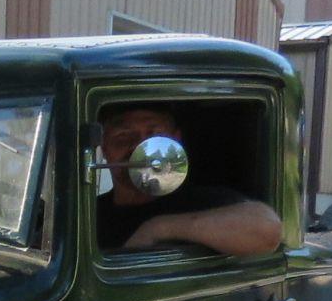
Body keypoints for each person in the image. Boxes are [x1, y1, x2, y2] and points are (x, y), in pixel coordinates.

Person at [96, 103, 285, 256]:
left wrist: (158, 228)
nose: (140, 148)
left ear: (176, 142)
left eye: (154, 136)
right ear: (104, 147)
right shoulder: (87, 213)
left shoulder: (201, 202)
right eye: (124, 136)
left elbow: (267, 232)